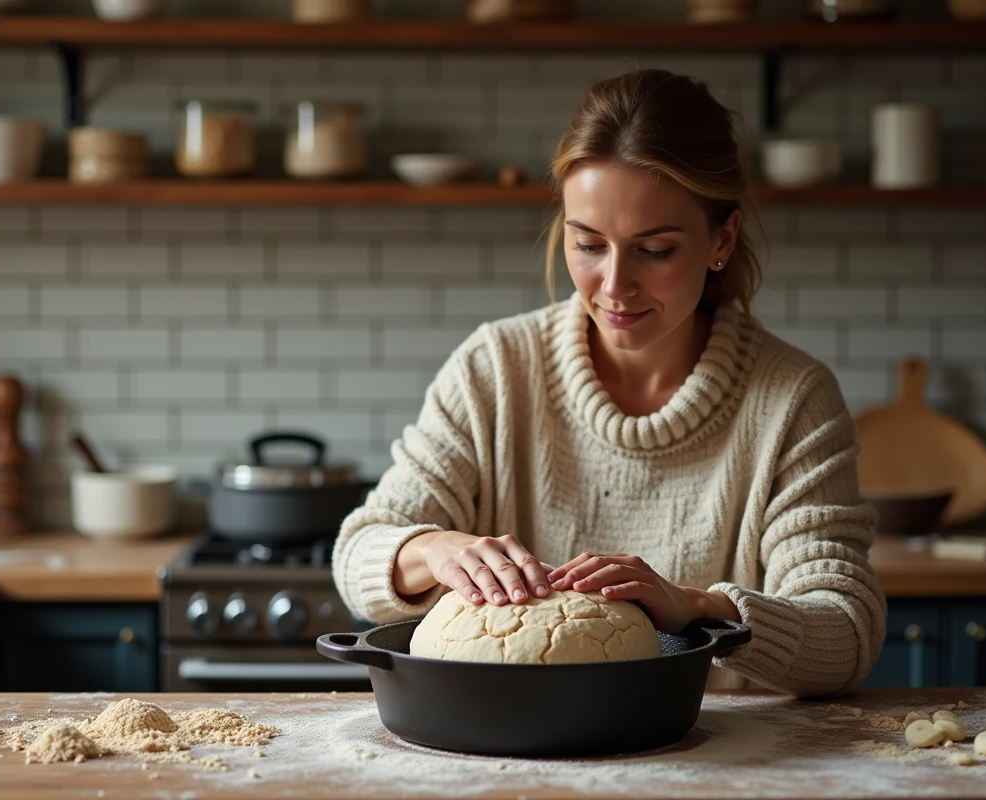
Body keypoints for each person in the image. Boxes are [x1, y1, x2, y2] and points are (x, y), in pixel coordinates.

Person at [331, 68, 885, 695]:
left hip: (718, 766)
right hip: (504, 762)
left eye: (655, 250)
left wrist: (699, 608)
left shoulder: (792, 400)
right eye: (589, 244)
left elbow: (846, 631)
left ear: (720, 239)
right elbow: (358, 552)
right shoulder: (495, 370)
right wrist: (434, 550)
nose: (615, 286)